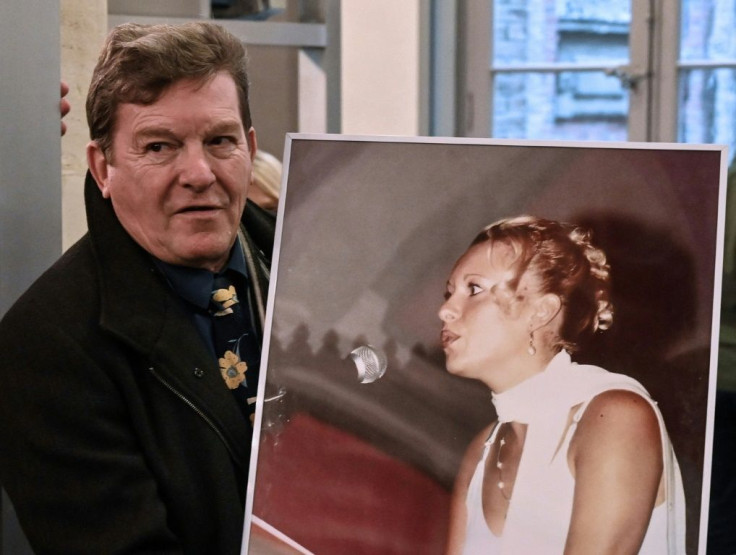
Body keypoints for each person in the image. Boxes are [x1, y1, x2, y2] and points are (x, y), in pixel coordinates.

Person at [0, 22, 275, 554]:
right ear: (104, 168)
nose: (199, 173)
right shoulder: (44, 349)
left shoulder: (312, 270)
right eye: (159, 146)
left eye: (220, 140)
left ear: (250, 147)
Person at [440, 216, 686, 554]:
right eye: (449, 293)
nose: (446, 310)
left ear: (541, 312)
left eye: (474, 289)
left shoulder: (614, 417)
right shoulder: (481, 450)